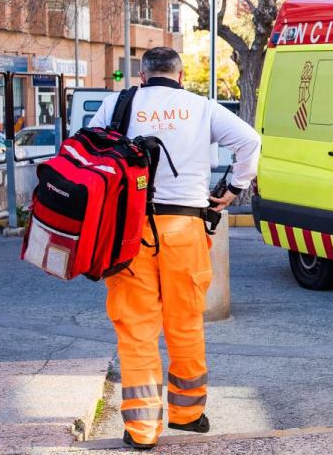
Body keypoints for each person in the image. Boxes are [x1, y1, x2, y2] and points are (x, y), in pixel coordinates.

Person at [89, 47, 260, 450]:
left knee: (137, 330)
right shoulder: (200, 106)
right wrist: (234, 188)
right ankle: (187, 413)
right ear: (181, 76)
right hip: (185, 227)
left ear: (143, 76)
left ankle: (143, 430)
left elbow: (87, 153)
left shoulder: (117, 104)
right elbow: (250, 140)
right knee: (185, 323)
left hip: (129, 232)